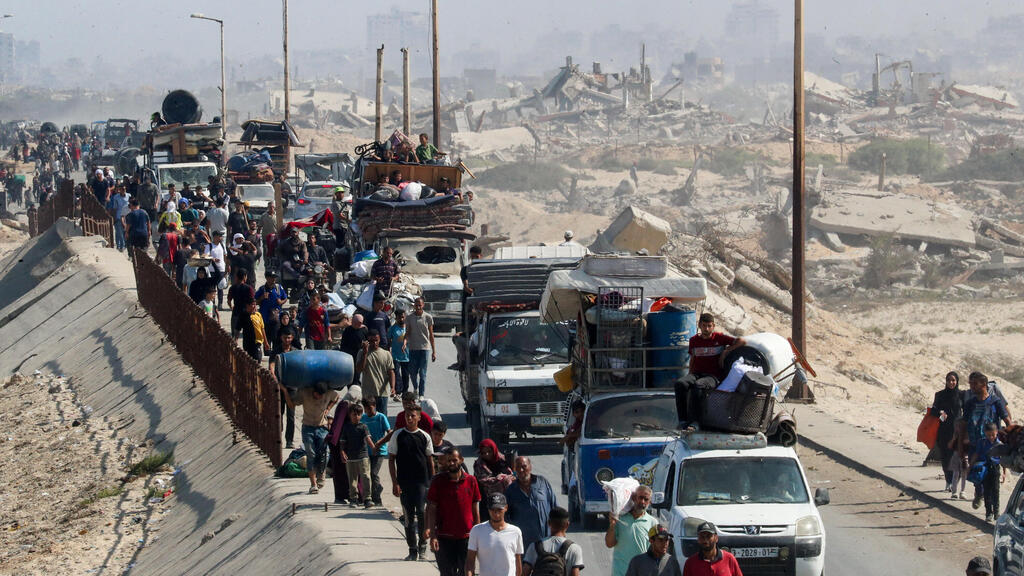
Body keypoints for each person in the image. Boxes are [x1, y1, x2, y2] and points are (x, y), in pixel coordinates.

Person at [673, 313, 746, 427]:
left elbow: (742, 341)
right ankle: (682, 419)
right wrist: (689, 374)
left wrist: (726, 351)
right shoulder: (694, 340)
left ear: (713, 326)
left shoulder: (719, 338)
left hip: (713, 376)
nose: (706, 329)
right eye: (704, 326)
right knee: (680, 384)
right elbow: (693, 358)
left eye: (709, 326)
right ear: (699, 326)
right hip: (697, 374)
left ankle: (695, 421)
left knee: (698, 386)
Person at [389, 404, 435, 561]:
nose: (409, 418)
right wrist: (395, 483)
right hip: (404, 483)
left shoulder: (424, 436)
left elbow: (430, 460)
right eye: (407, 416)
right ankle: (412, 549)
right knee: (408, 517)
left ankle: (422, 547)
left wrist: (432, 482)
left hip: (421, 482)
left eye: (413, 416)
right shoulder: (398, 436)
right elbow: (391, 460)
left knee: (422, 514)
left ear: (419, 417)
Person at [427, 447, 482, 576]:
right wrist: (433, 535)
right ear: (445, 462)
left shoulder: (471, 481)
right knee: (447, 573)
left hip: (466, 538)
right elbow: (431, 509)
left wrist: (478, 534)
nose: (452, 463)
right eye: (449, 461)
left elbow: (475, 509)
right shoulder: (438, 481)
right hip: (444, 538)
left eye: (455, 460)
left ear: (461, 460)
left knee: (467, 572)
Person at [505, 456, 558, 550]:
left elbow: (554, 508)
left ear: (530, 467)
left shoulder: (542, 483)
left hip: (545, 541)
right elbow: (506, 517)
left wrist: (558, 533)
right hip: (522, 545)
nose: (521, 470)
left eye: (524, 466)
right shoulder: (511, 490)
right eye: (518, 468)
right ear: (514, 470)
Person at [466, 493, 524, 576]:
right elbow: (470, 562)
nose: (496, 513)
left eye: (499, 509)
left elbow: (518, 563)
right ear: (488, 509)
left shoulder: (516, 532)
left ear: (506, 508)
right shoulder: (477, 530)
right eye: (493, 509)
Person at [606, 486, 659, 576]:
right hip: (621, 572)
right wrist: (612, 526)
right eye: (640, 497)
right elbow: (609, 544)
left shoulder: (652, 523)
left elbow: (656, 551)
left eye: (646, 499)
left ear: (649, 502)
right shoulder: (620, 519)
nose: (642, 502)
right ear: (634, 498)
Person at [300, 381, 340, 494]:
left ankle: (321, 474)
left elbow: (336, 397)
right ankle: (313, 484)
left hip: (322, 427)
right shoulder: (305, 393)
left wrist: (328, 408)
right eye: (318, 395)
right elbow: (293, 403)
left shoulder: (328, 393)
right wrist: (284, 390)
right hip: (307, 427)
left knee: (325, 453)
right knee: (311, 454)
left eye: (322, 395)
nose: (320, 397)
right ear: (314, 392)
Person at [522, 507, 584, 576]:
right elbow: (575, 574)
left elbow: (525, 572)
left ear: (549, 523)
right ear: (567, 524)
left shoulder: (534, 546)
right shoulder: (574, 548)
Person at [930, 371, 964, 491]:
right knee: (945, 457)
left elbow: (967, 410)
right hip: (944, 430)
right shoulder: (940, 395)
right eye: (949, 380)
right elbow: (933, 410)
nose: (951, 382)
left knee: (958, 457)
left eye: (953, 380)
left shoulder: (961, 395)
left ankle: (955, 481)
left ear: (957, 381)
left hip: (958, 431)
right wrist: (940, 412)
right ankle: (948, 481)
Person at [339, 402, 376, 509]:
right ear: (350, 415)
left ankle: (367, 499)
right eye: (354, 414)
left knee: (366, 476)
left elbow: (368, 439)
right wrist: (342, 452)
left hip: (363, 456)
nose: (356, 417)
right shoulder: (346, 427)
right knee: (352, 479)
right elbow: (342, 442)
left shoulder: (363, 427)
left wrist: (373, 447)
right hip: (350, 458)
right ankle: (353, 499)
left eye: (359, 414)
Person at [356, 330, 395, 416]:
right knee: (369, 419)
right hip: (368, 394)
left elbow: (391, 372)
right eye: (371, 341)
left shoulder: (386, 354)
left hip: (382, 393)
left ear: (379, 339)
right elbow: (359, 369)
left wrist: (392, 387)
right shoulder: (362, 352)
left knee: (382, 418)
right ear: (367, 341)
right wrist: (365, 353)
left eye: (376, 340)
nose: (374, 343)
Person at [474, 439, 516, 521]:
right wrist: (498, 479)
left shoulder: (504, 459)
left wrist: (510, 477)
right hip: (487, 501)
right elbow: (483, 480)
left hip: (506, 501)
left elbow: (513, 475)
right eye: (483, 453)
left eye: (489, 451)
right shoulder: (479, 465)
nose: (487, 454)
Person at [361, 397, 391, 506]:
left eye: (370, 408)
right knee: (367, 474)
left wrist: (380, 443)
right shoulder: (363, 418)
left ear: (374, 406)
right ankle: (369, 496)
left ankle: (377, 498)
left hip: (379, 451)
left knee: (374, 473)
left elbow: (389, 432)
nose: (368, 411)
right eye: (366, 409)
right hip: (366, 451)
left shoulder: (381, 417)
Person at [970, 421, 1003, 521]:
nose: (991, 437)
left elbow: (1003, 459)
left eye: (993, 435)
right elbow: (976, 454)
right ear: (984, 433)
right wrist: (970, 465)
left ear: (996, 432)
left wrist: (1004, 472)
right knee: (987, 491)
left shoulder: (1000, 444)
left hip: (995, 469)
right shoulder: (982, 442)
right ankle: (989, 513)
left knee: (996, 491)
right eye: (988, 435)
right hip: (984, 469)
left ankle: (997, 512)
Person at [272, 330, 299, 448]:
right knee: (279, 413)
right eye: (285, 338)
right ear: (281, 338)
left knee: (291, 415)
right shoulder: (276, 351)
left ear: (292, 338)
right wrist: (275, 380)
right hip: (279, 386)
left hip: (292, 387)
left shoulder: (296, 352)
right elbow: (271, 367)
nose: (287, 340)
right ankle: (278, 438)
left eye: (289, 338)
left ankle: (289, 440)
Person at [407, 297, 436, 397]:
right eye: (416, 304)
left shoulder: (428, 317)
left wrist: (434, 351)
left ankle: (421, 394)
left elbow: (431, 335)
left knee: (422, 373)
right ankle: (415, 388)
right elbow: (408, 332)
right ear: (414, 305)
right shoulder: (409, 317)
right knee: (413, 372)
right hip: (413, 348)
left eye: (420, 304)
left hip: (424, 348)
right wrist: (404, 343)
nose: (418, 306)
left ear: (423, 305)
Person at [227, 270, 255, 339]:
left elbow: (229, 301)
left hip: (236, 313)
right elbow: (252, 302)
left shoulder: (232, 288)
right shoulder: (249, 288)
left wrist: (231, 307)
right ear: (245, 277)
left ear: (236, 277)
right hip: (247, 314)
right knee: (248, 336)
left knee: (235, 336)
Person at [389, 309, 411, 397]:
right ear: (396, 318)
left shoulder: (409, 328)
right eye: (399, 317)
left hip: (407, 356)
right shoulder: (393, 328)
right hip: (395, 356)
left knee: (406, 375)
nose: (401, 319)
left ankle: (405, 392)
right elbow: (389, 340)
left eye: (403, 317)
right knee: (397, 374)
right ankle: (398, 392)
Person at [950, 418, 969, 500]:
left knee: (964, 474)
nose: (958, 428)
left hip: (965, 455)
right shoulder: (955, 435)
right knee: (956, 474)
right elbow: (950, 446)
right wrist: (953, 439)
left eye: (960, 426)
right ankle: (954, 492)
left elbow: (969, 446)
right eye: (957, 426)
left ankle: (963, 491)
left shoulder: (966, 435)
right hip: (956, 454)